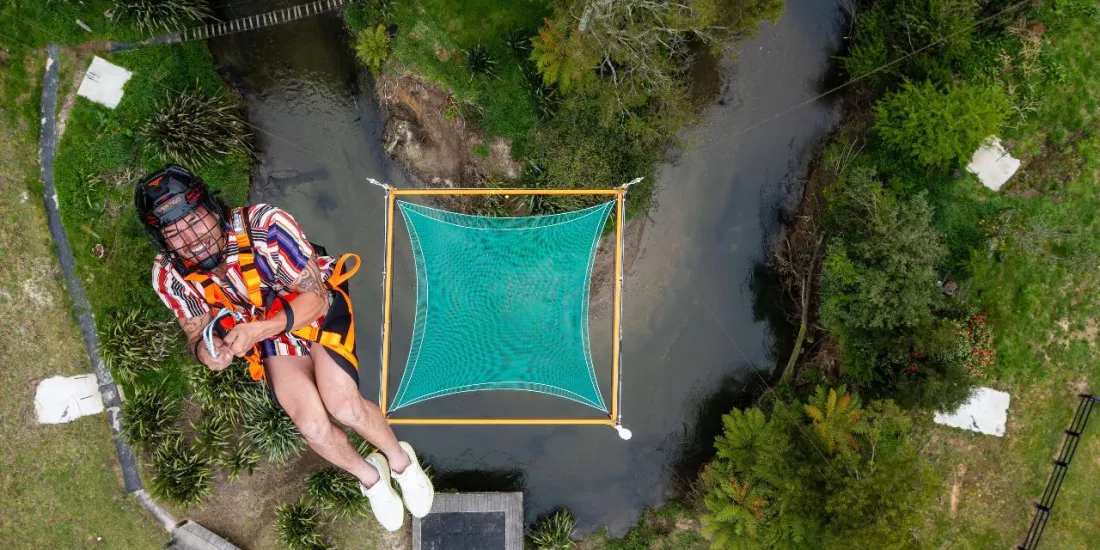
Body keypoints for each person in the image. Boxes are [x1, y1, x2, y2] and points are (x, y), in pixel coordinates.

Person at [135, 165, 431, 531]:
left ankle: (402, 462)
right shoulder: (169, 274)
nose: (192, 238)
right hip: (264, 330)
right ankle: (372, 479)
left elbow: (317, 300)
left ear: (213, 208)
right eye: (174, 232)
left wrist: (260, 328)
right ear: (161, 239)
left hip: (307, 306)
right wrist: (208, 352)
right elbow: (196, 333)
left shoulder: (266, 226)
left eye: (194, 220)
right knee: (311, 425)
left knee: (343, 404)